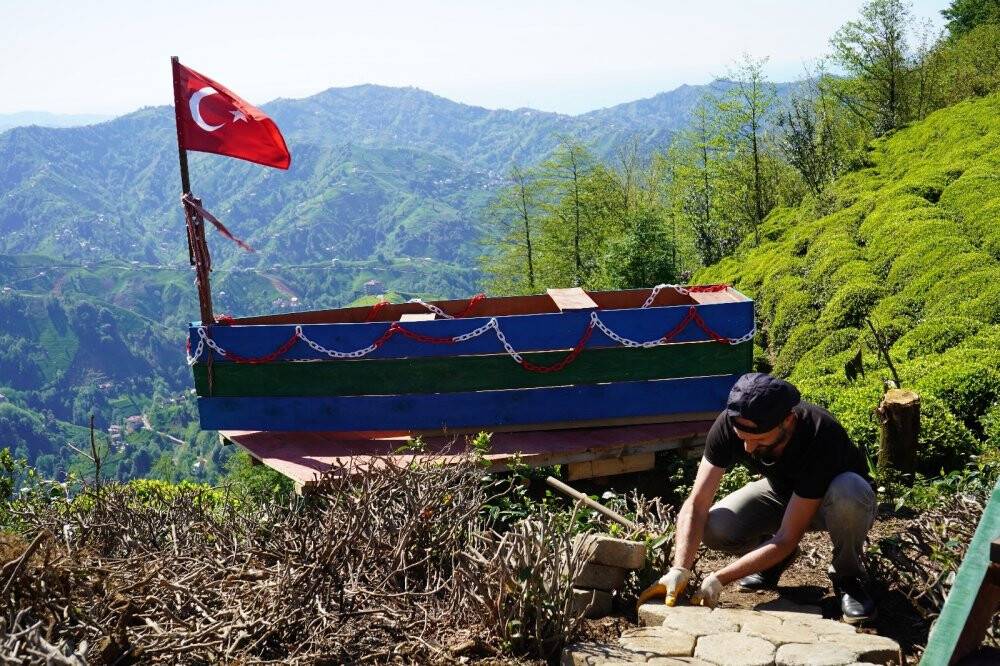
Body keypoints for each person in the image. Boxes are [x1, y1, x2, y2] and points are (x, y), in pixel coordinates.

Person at [640, 372, 878, 623]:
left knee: (849, 492)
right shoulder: (730, 424)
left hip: (835, 499)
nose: (748, 449)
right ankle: (772, 561)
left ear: (788, 420)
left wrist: (719, 578)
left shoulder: (821, 434)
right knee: (715, 527)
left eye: (760, 440)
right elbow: (696, 504)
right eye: (743, 439)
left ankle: (848, 578)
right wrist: (680, 568)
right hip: (782, 492)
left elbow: (787, 537)